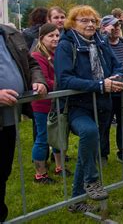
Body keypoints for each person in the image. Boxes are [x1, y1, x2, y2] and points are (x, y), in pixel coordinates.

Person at [55, 5, 123, 212]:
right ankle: (92, 180)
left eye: (93, 21)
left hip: (102, 105)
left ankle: (76, 201)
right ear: (72, 23)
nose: (90, 25)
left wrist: (118, 77)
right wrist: (100, 85)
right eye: (84, 21)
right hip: (78, 105)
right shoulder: (66, 45)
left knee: (89, 150)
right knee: (89, 132)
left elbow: (118, 65)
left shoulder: (100, 43)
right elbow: (65, 78)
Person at [0, 24, 47, 222]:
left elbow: (32, 63)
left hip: (8, 119)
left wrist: (38, 80)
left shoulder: (9, 33)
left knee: (2, 171)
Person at [31, 24, 69, 184]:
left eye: (57, 35)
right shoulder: (37, 55)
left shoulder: (57, 54)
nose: (55, 39)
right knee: (43, 137)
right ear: (42, 38)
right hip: (43, 104)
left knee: (58, 133)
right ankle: (40, 173)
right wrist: (66, 83)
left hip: (58, 102)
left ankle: (59, 166)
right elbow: (44, 80)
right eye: (50, 36)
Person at [100, 15, 123, 163]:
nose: (117, 28)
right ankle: (103, 153)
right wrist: (105, 34)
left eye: (118, 25)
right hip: (108, 89)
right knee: (105, 123)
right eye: (113, 26)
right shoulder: (102, 43)